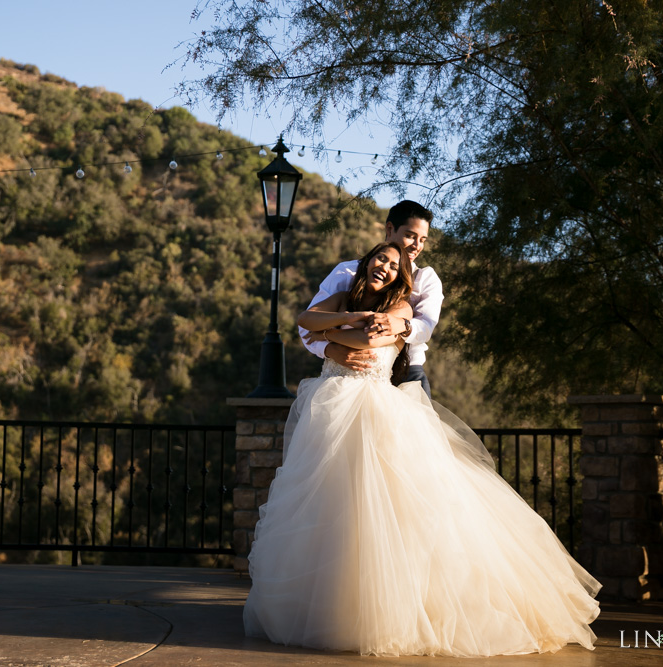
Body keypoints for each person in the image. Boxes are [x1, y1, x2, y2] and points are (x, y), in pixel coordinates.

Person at [244, 243, 601, 657]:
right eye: (381, 258)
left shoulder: (402, 308)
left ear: (400, 277)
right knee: (330, 508)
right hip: (330, 413)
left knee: (382, 509)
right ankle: (334, 604)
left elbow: (364, 338)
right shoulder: (343, 296)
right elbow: (305, 320)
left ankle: (388, 610)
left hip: (374, 411)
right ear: (368, 261)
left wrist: (330, 332)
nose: (386, 267)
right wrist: (336, 323)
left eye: (395, 265)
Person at [300, 200, 441, 397]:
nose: (417, 246)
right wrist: (329, 349)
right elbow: (306, 324)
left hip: (408, 374)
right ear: (390, 229)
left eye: (423, 240)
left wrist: (403, 325)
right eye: (410, 236)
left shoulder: (425, 278)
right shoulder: (346, 272)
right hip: (343, 376)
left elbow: (426, 327)